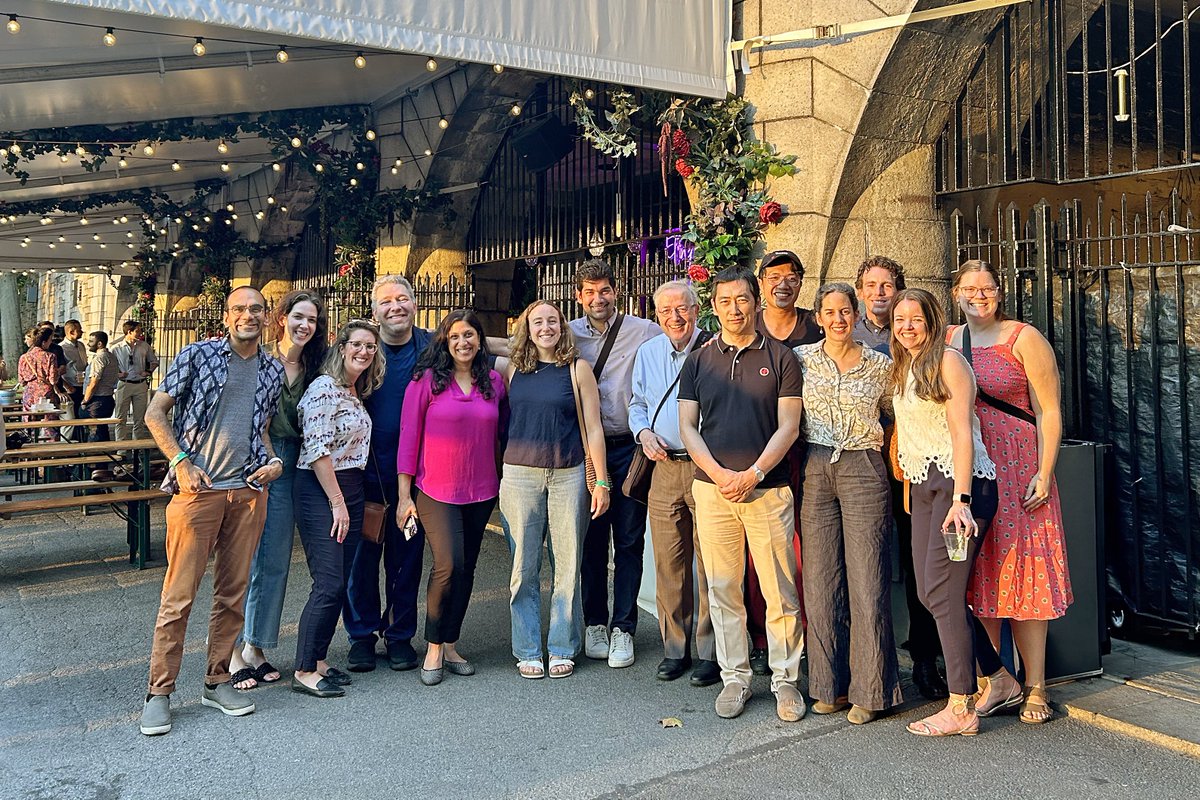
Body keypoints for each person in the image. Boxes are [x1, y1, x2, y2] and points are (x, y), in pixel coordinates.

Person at [138, 286, 285, 736]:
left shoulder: (273, 370)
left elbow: (259, 429)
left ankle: (218, 679)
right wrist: (180, 462)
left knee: (232, 594)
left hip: (246, 494)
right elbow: (155, 413)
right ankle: (159, 693)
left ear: (266, 317)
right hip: (197, 493)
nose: (248, 315)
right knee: (178, 598)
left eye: (256, 309)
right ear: (226, 316)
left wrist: (273, 460)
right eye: (240, 309)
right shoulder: (197, 355)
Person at [948, 259, 1073, 725]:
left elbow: (1049, 410)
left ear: (1000, 293)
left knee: (1026, 574)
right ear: (956, 292)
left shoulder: (1024, 338)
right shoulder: (948, 340)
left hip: (1021, 469)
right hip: (975, 472)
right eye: (969, 288)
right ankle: (995, 676)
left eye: (987, 288)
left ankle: (1036, 685)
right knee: (982, 571)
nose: (979, 295)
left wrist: (1045, 470)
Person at [678, 267, 806, 722]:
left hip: (768, 490)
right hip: (712, 493)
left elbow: (788, 426)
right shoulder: (699, 359)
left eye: (743, 299)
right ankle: (735, 678)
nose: (735, 308)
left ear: (756, 301)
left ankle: (786, 680)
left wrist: (751, 473)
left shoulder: (783, 357)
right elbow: (688, 428)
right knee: (723, 588)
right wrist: (718, 474)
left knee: (779, 591)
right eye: (725, 301)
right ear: (714, 307)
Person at [889, 287, 998, 737]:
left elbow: (961, 434)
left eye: (915, 318)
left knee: (945, 594)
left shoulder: (949, 361)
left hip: (958, 488)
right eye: (899, 320)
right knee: (931, 593)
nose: (906, 327)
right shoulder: (905, 365)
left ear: (933, 321)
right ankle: (1002, 679)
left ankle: (961, 706)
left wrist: (962, 500)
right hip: (924, 487)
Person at [794, 282, 902, 725]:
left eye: (845, 312)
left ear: (856, 315)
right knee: (820, 581)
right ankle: (828, 686)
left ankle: (871, 691)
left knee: (867, 579)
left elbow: (898, 415)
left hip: (863, 467)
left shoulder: (881, 366)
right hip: (815, 467)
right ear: (818, 317)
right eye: (830, 312)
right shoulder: (800, 361)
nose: (838, 319)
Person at [854, 256, 948, 700]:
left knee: (918, 564)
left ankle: (926, 658)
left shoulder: (918, 337)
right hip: (861, 461)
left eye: (887, 285)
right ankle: (869, 658)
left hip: (910, 459)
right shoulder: (843, 332)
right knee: (866, 558)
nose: (879, 293)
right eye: (870, 285)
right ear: (859, 292)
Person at [397, 310, 508, 685]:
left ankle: (451, 644)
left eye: (471, 335)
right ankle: (432, 646)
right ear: (445, 341)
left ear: (481, 341)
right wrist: (403, 495)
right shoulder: (425, 382)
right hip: (435, 490)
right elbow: (408, 440)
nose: (463, 342)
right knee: (447, 565)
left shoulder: (494, 381)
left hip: (481, 490)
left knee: (467, 569)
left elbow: (502, 434)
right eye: (456, 336)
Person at [501, 300, 609, 679]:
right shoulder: (513, 367)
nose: (545, 327)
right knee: (522, 565)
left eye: (552, 321)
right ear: (526, 328)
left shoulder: (577, 369)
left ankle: (562, 644)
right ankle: (527, 647)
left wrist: (602, 482)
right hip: (519, 475)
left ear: (563, 326)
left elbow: (594, 427)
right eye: (537, 322)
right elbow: (476, 346)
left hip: (568, 473)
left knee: (567, 563)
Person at [230, 290, 328, 690]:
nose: (305, 325)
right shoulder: (261, 358)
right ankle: (230, 649)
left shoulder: (316, 366)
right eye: (299, 316)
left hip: (296, 463)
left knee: (274, 560)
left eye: (313, 320)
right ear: (281, 318)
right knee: (243, 557)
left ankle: (257, 646)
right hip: (255, 460)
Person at [566, 259, 660, 669]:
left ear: (616, 291)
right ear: (578, 295)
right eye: (589, 291)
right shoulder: (566, 333)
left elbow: (687, 342)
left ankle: (624, 626)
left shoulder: (644, 331)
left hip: (629, 448)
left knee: (628, 540)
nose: (597, 298)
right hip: (584, 450)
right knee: (589, 540)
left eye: (604, 290)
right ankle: (595, 622)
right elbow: (517, 347)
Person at [628, 280, 719, 687]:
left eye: (681, 309)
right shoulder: (647, 352)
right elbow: (638, 403)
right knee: (668, 562)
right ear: (657, 315)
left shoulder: (714, 349)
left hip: (705, 468)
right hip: (663, 467)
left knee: (711, 562)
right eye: (665, 311)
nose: (674, 317)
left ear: (697, 310)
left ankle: (710, 652)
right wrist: (642, 433)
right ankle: (673, 648)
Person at [292, 320, 385, 698]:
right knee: (328, 582)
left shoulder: (353, 390)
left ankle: (318, 660)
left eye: (371, 347)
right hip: (321, 489)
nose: (364, 352)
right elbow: (317, 448)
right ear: (342, 346)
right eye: (358, 344)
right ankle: (303, 670)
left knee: (341, 579)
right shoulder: (324, 388)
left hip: (351, 486)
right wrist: (337, 503)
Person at [344, 276, 432, 673]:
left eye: (402, 299)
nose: (395, 307)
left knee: (407, 558)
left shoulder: (432, 347)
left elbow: (479, 347)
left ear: (415, 304)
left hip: (418, 474)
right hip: (363, 472)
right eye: (386, 302)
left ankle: (399, 636)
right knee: (362, 558)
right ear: (374, 310)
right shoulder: (362, 349)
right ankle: (361, 636)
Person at [744, 249, 821, 674]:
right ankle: (761, 637)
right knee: (762, 552)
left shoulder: (817, 325)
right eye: (774, 275)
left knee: (808, 549)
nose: (783, 283)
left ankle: (807, 635)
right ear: (761, 283)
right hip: (760, 451)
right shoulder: (747, 328)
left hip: (810, 449)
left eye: (792, 275)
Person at [111, 320, 160, 442]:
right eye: (137, 331)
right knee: (120, 418)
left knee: (139, 418)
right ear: (129, 331)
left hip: (140, 384)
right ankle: (120, 448)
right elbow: (109, 366)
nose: (140, 333)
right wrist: (117, 374)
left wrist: (148, 371)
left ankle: (136, 447)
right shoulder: (116, 348)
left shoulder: (144, 346)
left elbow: (154, 361)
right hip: (124, 383)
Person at [81, 331, 119, 442]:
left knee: (95, 432)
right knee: (102, 430)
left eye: (91, 341)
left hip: (97, 400)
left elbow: (94, 382)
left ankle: (95, 457)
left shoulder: (99, 358)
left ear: (99, 344)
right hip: (108, 398)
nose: (88, 344)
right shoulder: (111, 356)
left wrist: (85, 400)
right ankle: (104, 455)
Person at [18, 327, 59, 412]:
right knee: (47, 421)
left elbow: (21, 381)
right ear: (44, 342)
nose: (51, 342)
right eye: (50, 340)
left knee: (29, 421)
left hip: (30, 394)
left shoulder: (24, 357)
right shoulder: (50, 357)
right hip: (46, 395)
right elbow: (53, 380)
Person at [60, 320, 88, 421]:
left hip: (83, 384)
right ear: (71, 332)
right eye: (79, 330)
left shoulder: (81, 345)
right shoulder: (61, 348)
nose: (82, 332)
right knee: (72, 415)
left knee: (82, 413)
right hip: (70, 385)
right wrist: (67, 386)